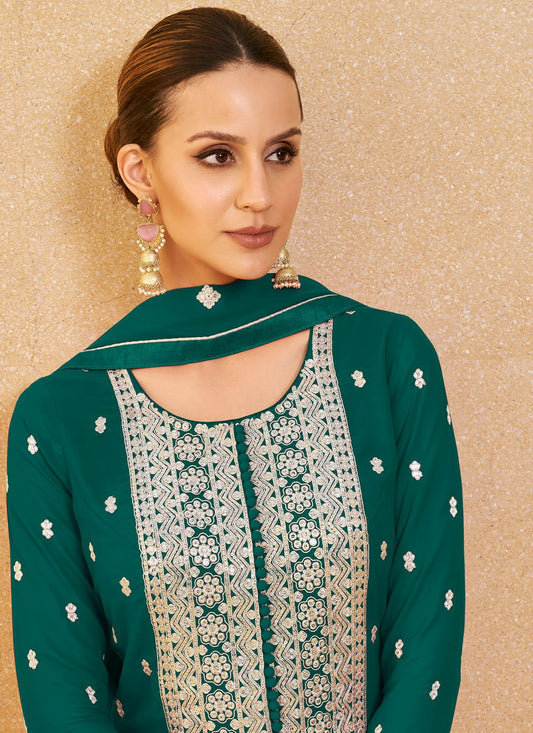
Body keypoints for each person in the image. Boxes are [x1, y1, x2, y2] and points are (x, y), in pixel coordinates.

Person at [7, 7, 464, 733]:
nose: (260, 194)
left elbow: (426, 645)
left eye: (281, 153)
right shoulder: (60, 418)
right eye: (218, 155)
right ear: (141, 171)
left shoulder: (383, 360)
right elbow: (62, 692)